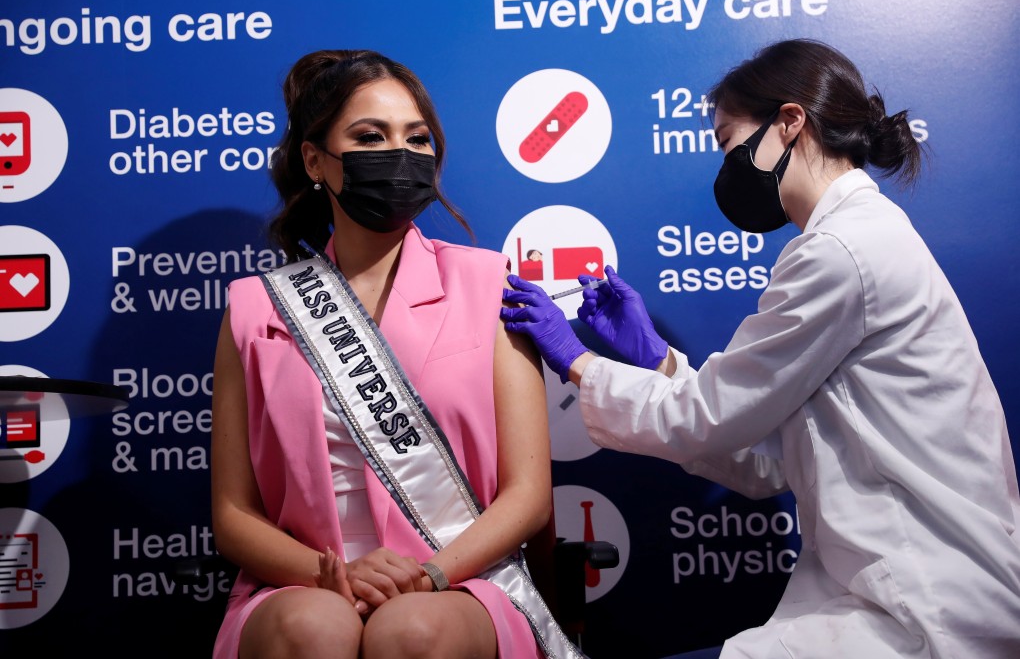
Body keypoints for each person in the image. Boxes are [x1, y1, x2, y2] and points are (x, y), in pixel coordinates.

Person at [502, 39, 1020, 658]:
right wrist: (656, 359)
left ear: (790, 122)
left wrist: (578, 362)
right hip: (897, 591)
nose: (726, 167)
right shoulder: (851, 240)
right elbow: (771, 459)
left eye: (727, 143)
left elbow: (708, 416)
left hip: (927, 602)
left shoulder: (842, 252)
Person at [211, 49, 567, 659]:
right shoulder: (255, 308)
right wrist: (333, 576)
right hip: (306, 580)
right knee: (313, 628)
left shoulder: (489, 285)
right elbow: (234, 513)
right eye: (370, 136)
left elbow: (528, 495)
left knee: (411, 631)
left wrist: (428, 575)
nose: (399, 155)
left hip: (463, 579)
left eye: (417, 137)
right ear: (315, 160)